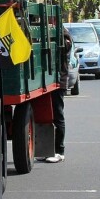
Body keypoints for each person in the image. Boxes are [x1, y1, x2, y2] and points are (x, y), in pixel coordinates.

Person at [44, 27, 72, 163]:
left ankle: (59, 151)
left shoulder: (64, 34)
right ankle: (49, 149)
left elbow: (65, 46)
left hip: (59, 81)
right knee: (48, 116)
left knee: (57, 115)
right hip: (49, 80)